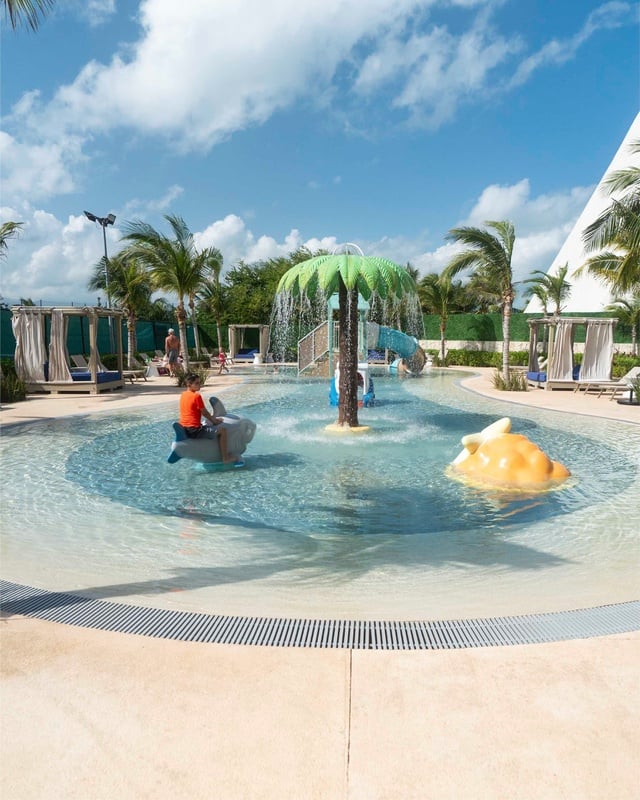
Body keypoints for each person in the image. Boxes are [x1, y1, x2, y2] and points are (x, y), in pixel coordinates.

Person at [179, 373, 235, 463]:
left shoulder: (183, 395)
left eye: (199, 382)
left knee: (206, 424)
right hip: (194, 430)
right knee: (222, 431)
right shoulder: (196, 396)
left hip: (184, 428)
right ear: (189, 385)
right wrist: (215, 421)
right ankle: (225, 458)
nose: (199, 385)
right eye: (196, 383)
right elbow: (204, 412)